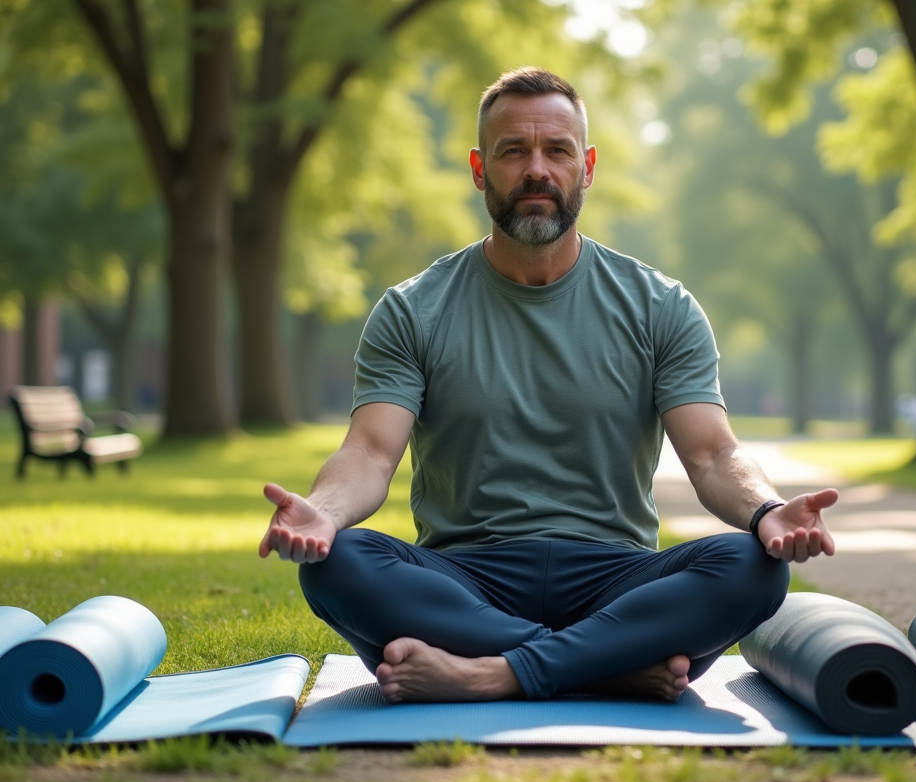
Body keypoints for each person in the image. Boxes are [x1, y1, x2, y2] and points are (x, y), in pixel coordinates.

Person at [259, 67, 838, 704]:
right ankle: (608, 665)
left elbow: (712, 454)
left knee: (752, 566)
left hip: (615, 576)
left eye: (557, 150)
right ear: (481, 170)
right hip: (466, 578)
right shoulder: (411, 310)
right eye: (514, 151)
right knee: (338, 562)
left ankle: (492, 673)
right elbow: (369, 452)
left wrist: (765, 511)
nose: (538, 169)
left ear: (586, 166)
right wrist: (326, 512)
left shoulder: (661, 306)